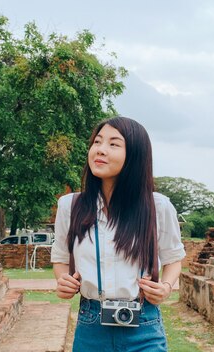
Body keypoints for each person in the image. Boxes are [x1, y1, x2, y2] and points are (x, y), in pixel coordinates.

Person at [51, 116, 186, 352]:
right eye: (97, 142)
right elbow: (61, 258)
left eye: (113, 144)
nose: (100, 150)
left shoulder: (158, 207)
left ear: (134, 155)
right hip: (91, 324)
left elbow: (174, 258)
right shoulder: (69, 206)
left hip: (143, 323)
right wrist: (63, 280)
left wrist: (165, 286)